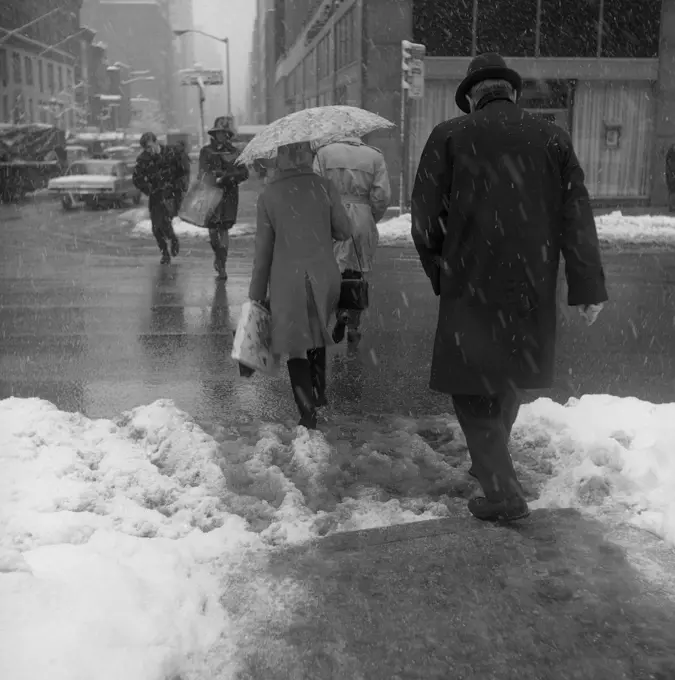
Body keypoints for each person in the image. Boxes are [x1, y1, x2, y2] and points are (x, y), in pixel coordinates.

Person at [411, 53, 608, 522]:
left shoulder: (450, 136)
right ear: (512, 93)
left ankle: (501, 492)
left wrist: (440, 266)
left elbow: (423, 217)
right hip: (531, 283)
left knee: (472, 389)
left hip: (471, 281)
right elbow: (576, 215)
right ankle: (493, 462)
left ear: (473, 97)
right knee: (507, 376)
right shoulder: (553, 138)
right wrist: (586, 285)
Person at [248, 141, 353, 429]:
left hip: (287, 281)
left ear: (279, 157)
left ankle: (307, 412)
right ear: (309, 154)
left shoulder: (269, 196)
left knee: (296, 346)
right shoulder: (324, 186)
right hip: (324, 276)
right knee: (317, 334)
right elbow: (344, 231)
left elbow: (263, 254)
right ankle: (318, 396)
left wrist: (256, 296)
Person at [314, 137, 391, 347]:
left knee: (332, 272)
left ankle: (337, 313)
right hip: (362, 216)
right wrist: (369, 215)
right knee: (358, 273)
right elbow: (382, 196)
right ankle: (354, 327)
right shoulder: (374, 155)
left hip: (332, 215)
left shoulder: (324, 153)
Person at [198, 116, 249, 280]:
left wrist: (229, 176)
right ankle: (218, 256)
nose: (222, 136)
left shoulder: (235, 152)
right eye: (219, 132)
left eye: (224, 133)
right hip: (211, 194)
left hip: (229, 195)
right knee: (212, 231)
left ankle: (222, 265)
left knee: (224, 229)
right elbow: (202, 172)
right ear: (214, 134)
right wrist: (213, 176)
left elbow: (244, 173)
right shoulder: (206, 151)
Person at [132, 132, 188, 264]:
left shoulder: (171, 153)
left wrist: (179, 187)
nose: (150, 150)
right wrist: (148, 188)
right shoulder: (143, 160)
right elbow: (137, 178)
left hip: (171, 194)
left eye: (151, 146)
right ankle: (165, 252)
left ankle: (173, 240)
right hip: (156, 195)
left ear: (156, 142)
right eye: (146, 148)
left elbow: (182, 172)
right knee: (156, 228)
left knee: (166, 222)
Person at [665, 144, 675, 212]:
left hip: (671, 174)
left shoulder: (670, 153)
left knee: (671, 191)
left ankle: (671, 207)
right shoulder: (671, 155)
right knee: (672, 191)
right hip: (671, 175)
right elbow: (671, 166)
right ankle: (671, 207)